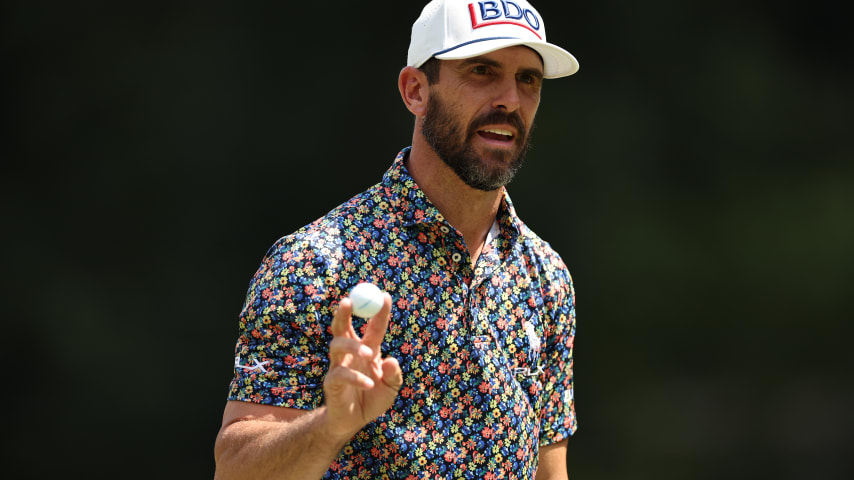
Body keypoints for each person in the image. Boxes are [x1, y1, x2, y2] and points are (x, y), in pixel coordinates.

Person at [214, 1, 580, 478]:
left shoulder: (545, 276)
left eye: (528, 79)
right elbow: (235, 470)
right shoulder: (315, 262)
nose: (510, 99)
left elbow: (549, 472)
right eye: (482, 70)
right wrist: (330, 425)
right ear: (415, 90)